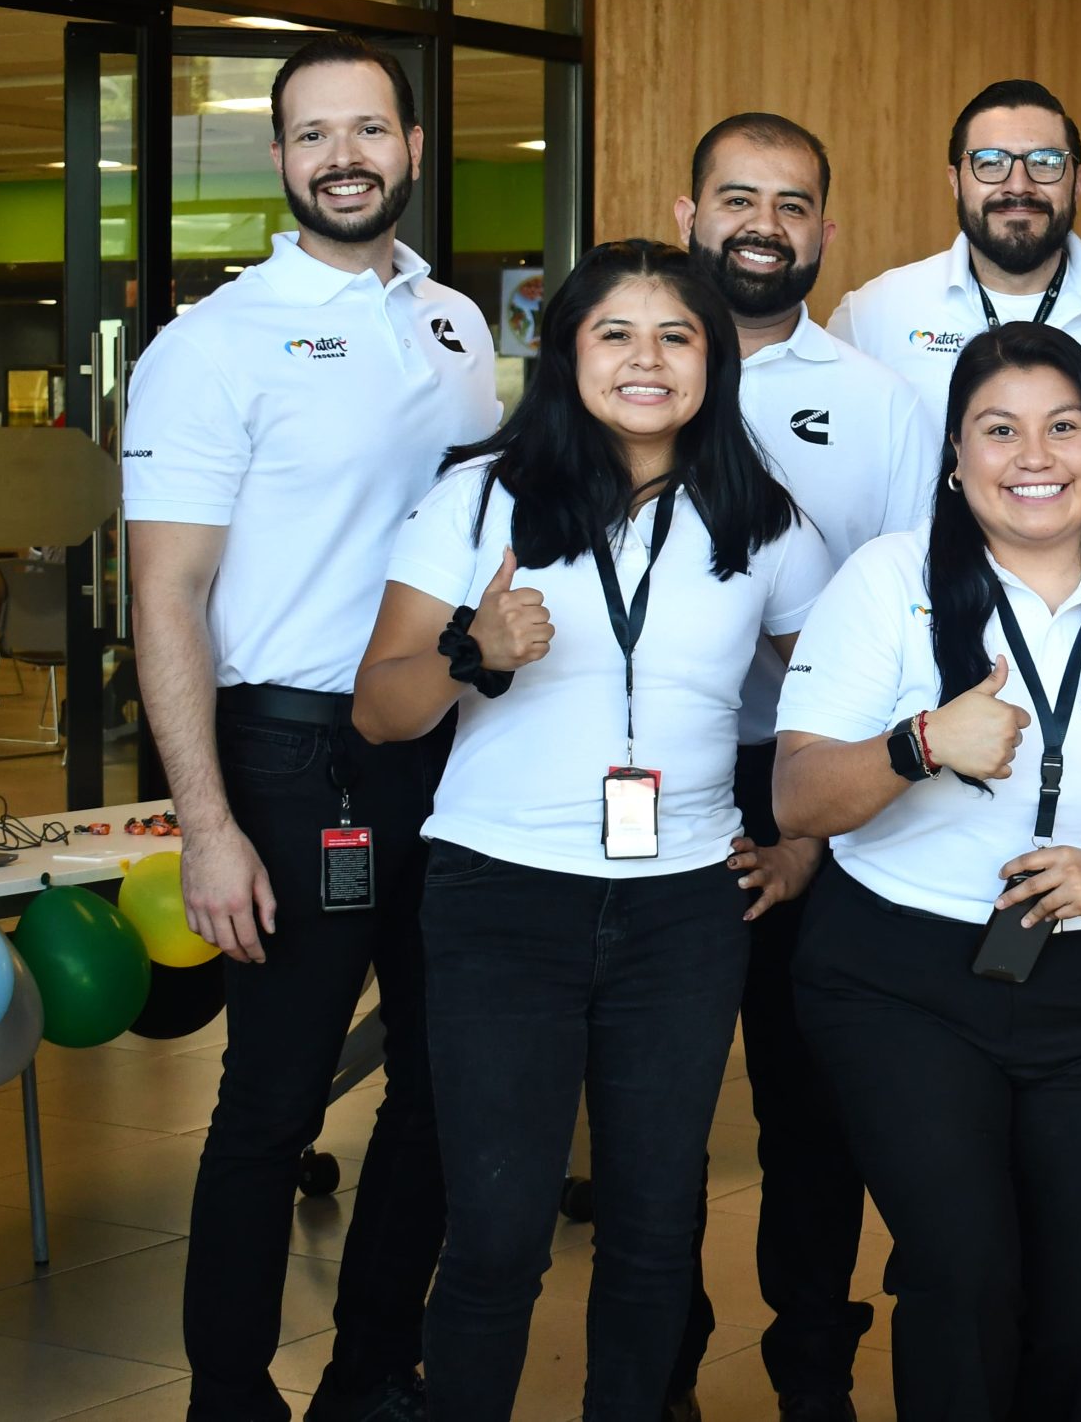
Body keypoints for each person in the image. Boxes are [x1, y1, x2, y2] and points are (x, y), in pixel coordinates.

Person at [352, 240, 830, 1422]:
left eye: (677, 335)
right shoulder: (479, 497)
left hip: (683, 907)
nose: (647, 359)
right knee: (499, 1232)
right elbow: (377, 706)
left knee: (656, 1227)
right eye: (615, 333)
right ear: (566, 355)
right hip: (501, 898)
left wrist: (803, 844)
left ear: (713, 361)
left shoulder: (760, 520)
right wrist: (473, 650)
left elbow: (833, 707)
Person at [773, 321, 1081, 1422]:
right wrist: (920, 746)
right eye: (998, 430)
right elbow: (797, 797)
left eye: (1061, 426)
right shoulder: (888, 579)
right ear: (956, 459)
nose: (1031, 455)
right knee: (963, 1273)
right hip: (898, 975)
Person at [127, 34, 494, 1422]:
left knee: (443, 1082)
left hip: (447, 746)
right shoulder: (211, 344)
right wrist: (207, 825)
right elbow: (170, 592)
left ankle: (370, 1363)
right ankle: (230, 1389)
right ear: (280, 161)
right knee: (273, 1101)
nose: (345, 154)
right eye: (312, 133)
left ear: (410, 145)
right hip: (290, 762)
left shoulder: (457, 323)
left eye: (369, 128)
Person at [665, 112, 938, 1422]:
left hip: (810, 784)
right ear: (688, 217)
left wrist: (815, 831)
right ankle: (656, 1355)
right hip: (652, 773)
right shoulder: (630, 371)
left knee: (806, 1108)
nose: (762, 223)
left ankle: (812, 1366)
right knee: (651, 1100)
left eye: (792, 202)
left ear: (827, 232)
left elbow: (915, 632)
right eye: (737, 198)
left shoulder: (884, 406)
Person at [828, 79, 1081, 422]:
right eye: (990, 162)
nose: (1019, 185)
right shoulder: (870, 316)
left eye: (1045, 161)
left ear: (1077, 182)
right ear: (956, 182)